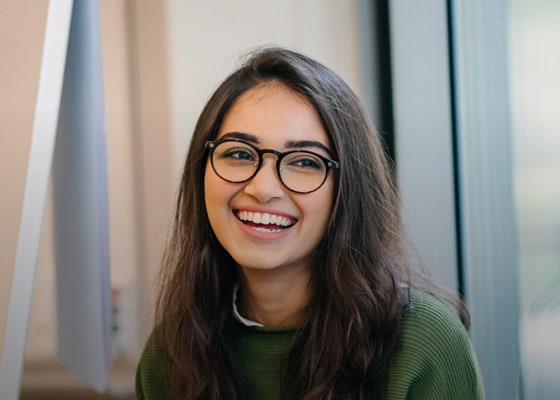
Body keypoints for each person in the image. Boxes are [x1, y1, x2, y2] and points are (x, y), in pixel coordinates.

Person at [135, 47, 485, 400]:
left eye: (304, 162)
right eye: (239, 154)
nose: (263, 188)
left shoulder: (423, 341)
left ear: (347, 191)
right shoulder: (170, 354)